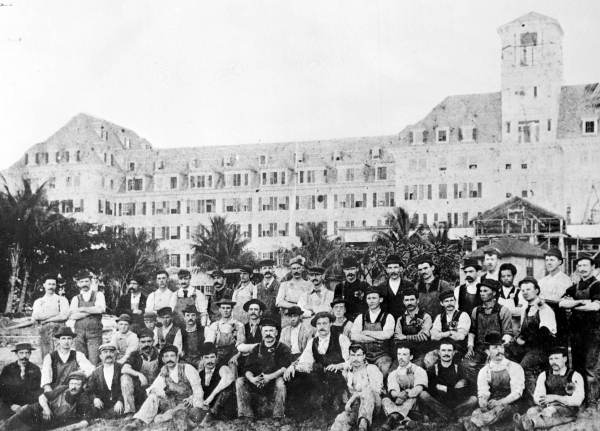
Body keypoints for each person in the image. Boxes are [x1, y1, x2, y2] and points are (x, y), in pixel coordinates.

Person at [126, 345, 204, 429]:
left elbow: (198, 389)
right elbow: (154, 387)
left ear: (177, 358)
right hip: (171, 403)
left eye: (172, 356)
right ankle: (139, 421)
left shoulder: (187, 368)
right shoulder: (164, 371)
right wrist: (155, 391)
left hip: (186, 404)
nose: (169, 359)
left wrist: (193, 400)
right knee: (153, 397)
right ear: (163, 359)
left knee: (176, 416)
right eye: (166, 356)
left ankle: (166, 418)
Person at [285, 311, 350, 411]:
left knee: (331, 376)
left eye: (325, 323)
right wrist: (293, 367)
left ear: (331, 324)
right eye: (319, 324)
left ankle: (330, 411)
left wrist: (339, 366)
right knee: (295, 376)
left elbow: (351, 361)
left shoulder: (341, 338)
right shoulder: (313, 342)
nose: (321, 327)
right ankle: (299, 411)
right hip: (320, 375)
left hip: (338, 375)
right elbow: (305, 361)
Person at [505, 277, 557, 398]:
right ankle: (515, 395)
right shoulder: (526, 309)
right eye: (522, 290)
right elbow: (523, 331)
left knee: (524, 366)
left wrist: (524, 340)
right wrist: (516, 339)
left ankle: (537, 400)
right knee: (505, 354)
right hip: (528, 347)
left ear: (537, 291)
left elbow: (545, 334)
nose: (525, 292)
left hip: (543, 348)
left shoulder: (545, 309)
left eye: (528, 289)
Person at [559, 254, 600, 402]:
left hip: (593, 334)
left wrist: (574, 303)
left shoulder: (597, 286)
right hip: (576, 334)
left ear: (593, 267)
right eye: (579, 266)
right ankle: (579, 400)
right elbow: (561, 303)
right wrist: (582, 302)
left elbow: (595, 306)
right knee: (576, 368)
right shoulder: (573, 287)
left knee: (591, 369)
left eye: (585, 266)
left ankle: (592, 403)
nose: (582, 269)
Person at [463, 333, 525, 431]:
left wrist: (500, 402)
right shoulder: (484, 371)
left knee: (499, 411)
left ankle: (472, 422)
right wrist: (483, 403)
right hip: (492, 406)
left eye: (501, 347)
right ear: (487, 351)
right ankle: (480, 423)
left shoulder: (514, 367)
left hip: (511, 405)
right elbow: (483, 392)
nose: (499, 350)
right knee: (478, 412)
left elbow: (517, 393)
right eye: (495, 348)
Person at [514, 346, 584, 430]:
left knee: (550, 412)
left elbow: (578, 400)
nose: (553, 362)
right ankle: (526, 423)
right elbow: (537, 396)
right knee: (532, 411)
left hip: (567, 410)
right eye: (551, 359)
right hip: (547, 406)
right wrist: (542, 400)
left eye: (557, 358)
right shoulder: (544, 375)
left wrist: (556, 398)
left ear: (565, 359)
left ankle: (530, 423)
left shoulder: (574, 376)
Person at [236, 318, 292, 420]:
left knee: (280, 383)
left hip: (273, 382)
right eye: (265, 331)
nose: (268, 334)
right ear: (262, 333)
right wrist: (252, 379)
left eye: (271, 331)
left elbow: (284, 368)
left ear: (276, 333)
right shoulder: (256, 348)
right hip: (257, 382)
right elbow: (247, 368)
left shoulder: (283, 348)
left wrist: (268, 377)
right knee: (240, 381)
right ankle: (246, 414)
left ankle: (278, 415)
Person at [2, 371, 93, 431]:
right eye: (72, 383)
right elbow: (42, 397)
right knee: (6, 427)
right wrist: (46, 409)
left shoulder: (84, 399)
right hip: (34, 411)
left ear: (83, 386)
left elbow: (85, 421)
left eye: (77, 384)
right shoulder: (62, 389)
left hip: (47, 423)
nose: (73, 387)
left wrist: (67, 428)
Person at [462, 278, 513, 384]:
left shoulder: (503, 311)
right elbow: (472, 331)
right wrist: (470, 347)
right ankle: (478, 387)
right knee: (465, 365)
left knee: (491, 368)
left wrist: (496, 350)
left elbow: (508, 334)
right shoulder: (476, 311)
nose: (482, 294)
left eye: (485, 291)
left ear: (494, 293)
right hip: (480, 349)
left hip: (497, 349)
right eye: (480, 291)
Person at [418, 342, 477, 422]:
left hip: (456, 403)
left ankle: (444, 416)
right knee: (423, 395)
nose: (446, 353)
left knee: (473, 399)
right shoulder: (432, 369)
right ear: (439, 352)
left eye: (449, 350)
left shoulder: (459, 368)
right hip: (439, 402)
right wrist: (452, 388)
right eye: (443, 350)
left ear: (453, 353)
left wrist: (444, 388)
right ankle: (453, 417)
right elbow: (431, 388)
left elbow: (466, 389)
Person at [330, 343, 383, 431]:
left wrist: (353, 397)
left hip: (373, 405)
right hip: (356, 406)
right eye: (353, 355)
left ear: (364, 356)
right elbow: (344, 365)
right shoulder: (348, 372)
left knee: (367, 393)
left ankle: (363, 427)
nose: (355, 359)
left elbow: (375, 390)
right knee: (340, 420)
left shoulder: (371, 369)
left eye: (359, 355)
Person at [380, 346, 428, 431]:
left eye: (404, 354)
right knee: (385, 400)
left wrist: (406, 394)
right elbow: (393, 392)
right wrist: (398, 395)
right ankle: (404, 421)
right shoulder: (393, 373)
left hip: (413, 402)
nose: (401, 358)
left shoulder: (418, 370)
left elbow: (418, 388)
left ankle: (390, 421)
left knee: (411, 399)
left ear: (411, 357)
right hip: (398, 401)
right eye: (399, 354)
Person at [350, 287, 394, 378]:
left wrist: (366, 332)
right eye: (369, 298)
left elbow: (387, 335)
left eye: (374, 298)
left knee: (385, 370)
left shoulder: (388, 317)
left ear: (380, 300)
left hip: (382, 355)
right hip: (364, 355)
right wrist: (377, 338)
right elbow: (354, 336)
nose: (371, 301)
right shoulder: (361, 317)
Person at [40, 326, 94, 392]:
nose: (66, 341)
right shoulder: (50, 357)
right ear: (58, 341)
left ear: (72, 341)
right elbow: (46, 379)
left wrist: (79, 374)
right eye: (63, 338)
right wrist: (50, 392)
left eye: (69, 338)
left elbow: (90, 370)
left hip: (73, 390)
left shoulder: (78, 355)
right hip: (56, 390)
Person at [69, 270, 106, 365]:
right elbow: (73, 315)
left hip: (94, 333)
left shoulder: (98, 294)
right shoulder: (75, 298)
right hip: (79, 333)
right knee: (81, 361)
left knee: (94, 360)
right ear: (78, 284)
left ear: (90, 282)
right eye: (81, 282)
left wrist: (81, 309)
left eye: (86, 281)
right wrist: (91, 311)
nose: (84, 284)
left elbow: (101, 309)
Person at [121, 329, 160, 415]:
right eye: (143, 342)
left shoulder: (159, 354)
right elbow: (124, 368)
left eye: (149, 341)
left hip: (156, 388)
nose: (146, 344)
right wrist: (139, 375)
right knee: (125, 377)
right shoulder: (135, 355)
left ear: (153, 342)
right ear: (139, 342)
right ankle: (130, 411)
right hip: (141, 390)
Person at [31, 275, 70, 360]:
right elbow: (36, 316)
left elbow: (64, 316)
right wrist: (56, 313)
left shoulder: (62, 300)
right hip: (44, 332)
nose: (51, 286)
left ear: (56, 286)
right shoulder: (39, 301)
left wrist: (46, 319)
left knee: (61, 357)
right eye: (49, 284)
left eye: (53, 284)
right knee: (46, 358)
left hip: (60, 333)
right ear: (44, 285)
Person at [197, 342, 236, 426]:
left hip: (225, 409)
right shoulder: (201, 374)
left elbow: (228, 378)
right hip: (209, 409)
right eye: (206, 358)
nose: (210, 361)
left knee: (226, 389)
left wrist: (211, 396)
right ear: (202, 359)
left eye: (212, 357)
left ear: (216, 358)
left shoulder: (222, 368)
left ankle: (211, 415)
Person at [0, 343, 41, 419]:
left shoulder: (35, 369)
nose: (24, 356)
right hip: (11, 407)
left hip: (28, 407)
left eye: (27, 353)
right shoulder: (8, 369)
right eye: (21, 353)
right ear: (16, 354)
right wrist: (11, 405)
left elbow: (37, 390)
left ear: (30, 354)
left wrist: (28, 406)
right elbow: (2, 391)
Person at [393, 288, 433, 367]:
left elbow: (423, 337)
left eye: (412, 299)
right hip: (404, 354)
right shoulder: (400, 319)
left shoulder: (425, 317)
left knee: (416, 372)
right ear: (403, 302)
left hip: (420, 354)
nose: (409, 302)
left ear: (417, 301)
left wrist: (405, 337)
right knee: (392, 373)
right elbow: (397, 338)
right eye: (407, 300)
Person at [538, 248, 571, 344]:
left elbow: (563, 301)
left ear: (560, 262)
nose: (548, 263)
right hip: (543, 316)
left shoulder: (566, 280)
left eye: (552, 260)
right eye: (547, 260)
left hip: (559, 317)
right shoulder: (542, 281)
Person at [87, 343, 125, 418]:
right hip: (104, 404)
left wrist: (120, 400)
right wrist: (95, 399)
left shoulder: (122, 368)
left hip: (119, 403)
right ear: (100, 356)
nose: (109, 354)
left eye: (111, 352)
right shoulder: (96, 372)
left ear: (115, 355)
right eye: (105, 352)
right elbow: (90, 389)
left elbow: (128, 387)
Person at [205, 299, 245, 368]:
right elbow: (209, 343)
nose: (225, 310)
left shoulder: (239, 325)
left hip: (233, 355)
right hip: (218, 355)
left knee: (233, 367)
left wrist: (236, 357)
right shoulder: (215, 325)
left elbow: (241, 345)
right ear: (220, 310)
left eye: (228, 308)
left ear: (232, 309)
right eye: (223, 308)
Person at [430, 289, 471, 359]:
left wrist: (441, 334)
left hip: (458, 349)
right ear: (442, 303)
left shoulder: (463, 315)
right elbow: (433, 337)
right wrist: (449, 333)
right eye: (446, 301)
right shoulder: (439, 317)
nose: (449, 303)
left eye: (451, 300)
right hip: (441, 348)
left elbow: (460, 336)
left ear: (455, 301)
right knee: (429, 359)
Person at [276, 257, 313, 327]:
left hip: (304, 318)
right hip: (288, 318)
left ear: (302, 269)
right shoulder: (284, 285)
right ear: (291, 270)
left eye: (298, 268)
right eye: (294, 269)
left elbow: (313, 301)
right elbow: (279, 302)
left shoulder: (309, 285)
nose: (296, 271)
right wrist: (296, 306)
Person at [377, 254, 414, 319]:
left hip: (405, 322)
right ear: (386, 270)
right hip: (387, 322)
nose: (393, 271)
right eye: (390, 268)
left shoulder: (409, 285)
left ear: (400, 269)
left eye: (395, 267)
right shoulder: (381, 287)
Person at [334, 256, 369, 321]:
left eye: (352, 269)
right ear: (344, 270)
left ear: (357, 269)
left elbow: (368, 306)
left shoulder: (364, 286)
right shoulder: (339, 287)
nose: (350, 272)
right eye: (347, 269)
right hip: (344, 320)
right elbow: (336, 306)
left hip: (360, 320)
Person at [256, 259, 281, 324]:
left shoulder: (280, 286)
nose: (267, 270)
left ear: (273, 270)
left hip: (276, 320)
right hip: (261, 320)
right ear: (261, 271)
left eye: (270, 268)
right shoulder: (257, 287)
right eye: (264, 268)